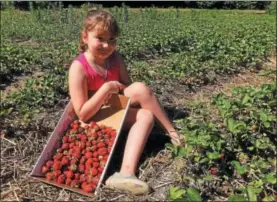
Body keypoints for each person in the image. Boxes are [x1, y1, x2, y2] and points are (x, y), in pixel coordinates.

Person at [68, 9, 184, 195]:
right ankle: (170, 133)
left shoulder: (115, 58)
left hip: (110, 107)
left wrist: (120, 91)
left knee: (144, 107)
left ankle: (126, 173)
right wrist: (105, 89)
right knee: (139, 93)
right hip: (92, 120)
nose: (107, 45)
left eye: (112, 39)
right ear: (85, 37)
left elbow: (127, 86)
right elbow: (82, 113)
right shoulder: (79, 68)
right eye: (100, 38)